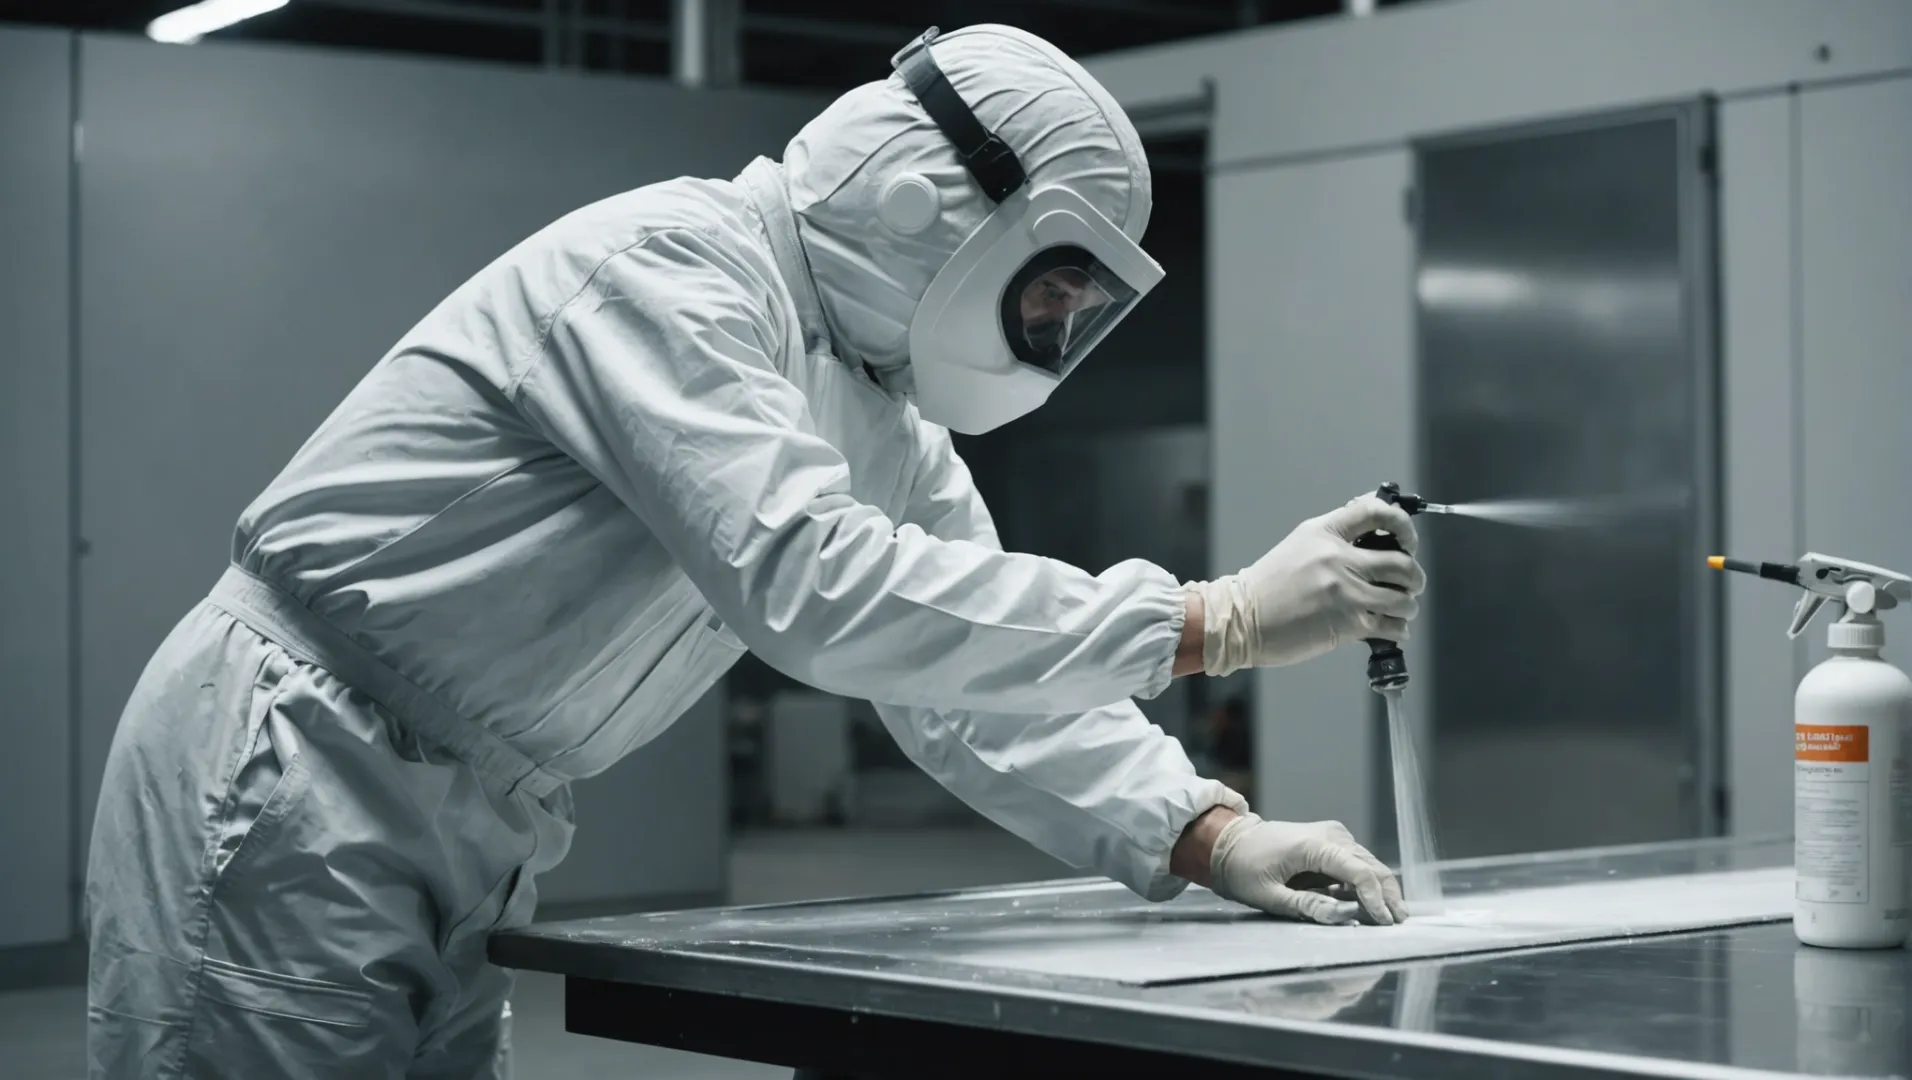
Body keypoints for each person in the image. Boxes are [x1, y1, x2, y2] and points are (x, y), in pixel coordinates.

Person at [84, 23, 1426, 1079]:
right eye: (1051, 285)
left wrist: (1205, 829)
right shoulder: (675, 272)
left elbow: (954, 682)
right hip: (295, 769)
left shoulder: (868, 397)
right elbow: (814, 587)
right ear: (922, 199)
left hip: (468, 807)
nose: (1051, 323)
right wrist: (1216, 618)